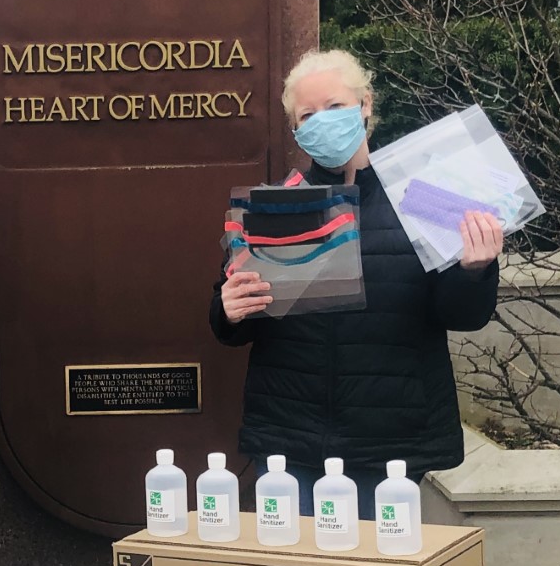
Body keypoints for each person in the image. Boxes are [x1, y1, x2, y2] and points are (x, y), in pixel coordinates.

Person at [210, 49, 504, 517]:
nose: (321, 122)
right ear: (295, 130)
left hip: (391, 445)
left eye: (334, 107)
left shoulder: (424, 197)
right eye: (307, 115)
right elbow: (238, 323)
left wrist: (475, 270)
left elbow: (463, 317)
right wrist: (226, 309)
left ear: (365, 104)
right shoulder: (275, 208)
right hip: (291, 443)